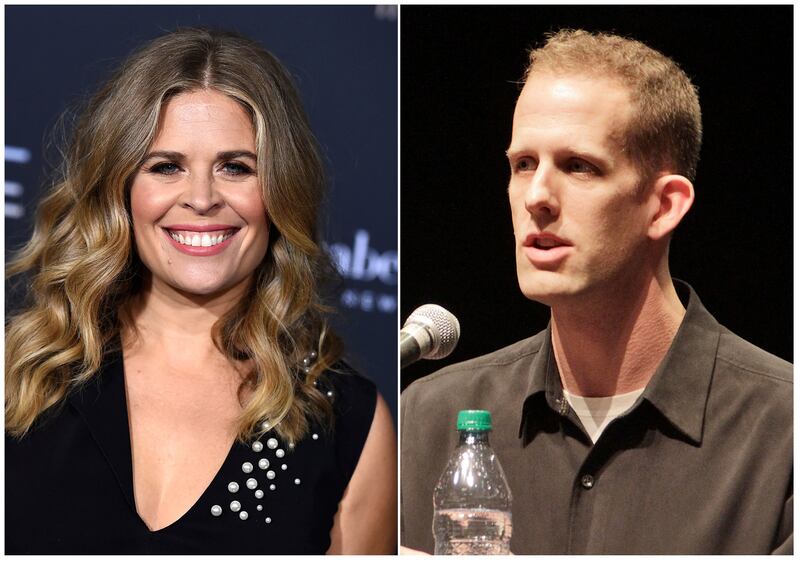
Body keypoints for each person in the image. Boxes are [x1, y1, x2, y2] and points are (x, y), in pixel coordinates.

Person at [5, 28, 396, 554]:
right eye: (166, 167)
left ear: (280, 190)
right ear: (120, 188)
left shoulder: (347, 421)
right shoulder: (23, 376)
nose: (202, 198)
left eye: (235, 168)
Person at [400, 29, 791, 555]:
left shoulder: (783, 430)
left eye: (578, 167)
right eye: (523, 165)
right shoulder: (429, 417)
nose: (537, 197)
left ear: (664, 205)